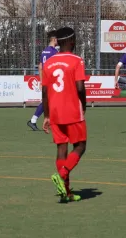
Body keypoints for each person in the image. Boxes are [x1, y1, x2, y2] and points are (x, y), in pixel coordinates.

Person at [42, 27, 87, 203]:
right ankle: (61, 175)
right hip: (72, 111)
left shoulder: (49, 62)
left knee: (62, 149)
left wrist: (46, 115)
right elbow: (80, 88)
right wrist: (83, 105)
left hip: (54, 112)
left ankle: (66, 192)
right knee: (81, 146)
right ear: (72, 41)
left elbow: (45, 92)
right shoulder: (76, 60)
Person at [28, 30, 59, 131]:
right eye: (57, 39)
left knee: (48, 101)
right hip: (52, 80)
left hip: (46, 79)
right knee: (51, 101)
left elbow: (40, 67)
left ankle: (34, 120)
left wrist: (42, 80)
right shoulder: (54, 52)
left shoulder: (44, 51)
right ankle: (35, 120)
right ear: (54, 40)